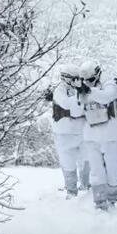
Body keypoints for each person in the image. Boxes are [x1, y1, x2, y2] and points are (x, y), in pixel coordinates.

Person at [79, 62, 117, 210]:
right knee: (96, 172)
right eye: (85, 80)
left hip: (112, 135)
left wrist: (89, 91)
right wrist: (79, 93)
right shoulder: (81, 90)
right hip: (92, 137)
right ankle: (99, 203)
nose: (88, 83)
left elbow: (107, 97)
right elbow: (76, 109)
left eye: (90, 79)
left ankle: (112, 198)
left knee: (113, 173)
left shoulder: (109, 84)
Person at [50, 65, 89, 199]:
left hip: (81, 131)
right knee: (68, 161)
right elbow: (67, 104)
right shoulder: (59, 91)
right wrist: (80, 94)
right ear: (66, 79)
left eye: (79, 78)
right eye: (75, 79)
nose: (78, 81)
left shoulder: (81, 89)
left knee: (86, 159)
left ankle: (86, 186)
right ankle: (71, 191)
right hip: (64, 133)